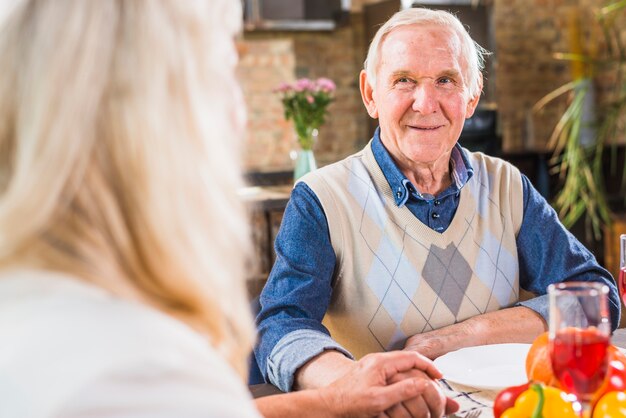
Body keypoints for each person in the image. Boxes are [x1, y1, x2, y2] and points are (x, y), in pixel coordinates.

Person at [0, 1, 459, 417]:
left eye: (445, 80)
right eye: (222, 73)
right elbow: (279, 323)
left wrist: (335, 400)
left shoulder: (37, 310)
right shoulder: (132, 371)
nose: (239, 114)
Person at [254, 7, 621, 395]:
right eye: (403, 80)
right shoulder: (322, 200)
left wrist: (456, 339)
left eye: (446, 80)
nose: (426, 103)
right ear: (370, 93)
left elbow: (594, 298)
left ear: (473, 96)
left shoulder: (506, 185)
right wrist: (356, 387)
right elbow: (281, 325)